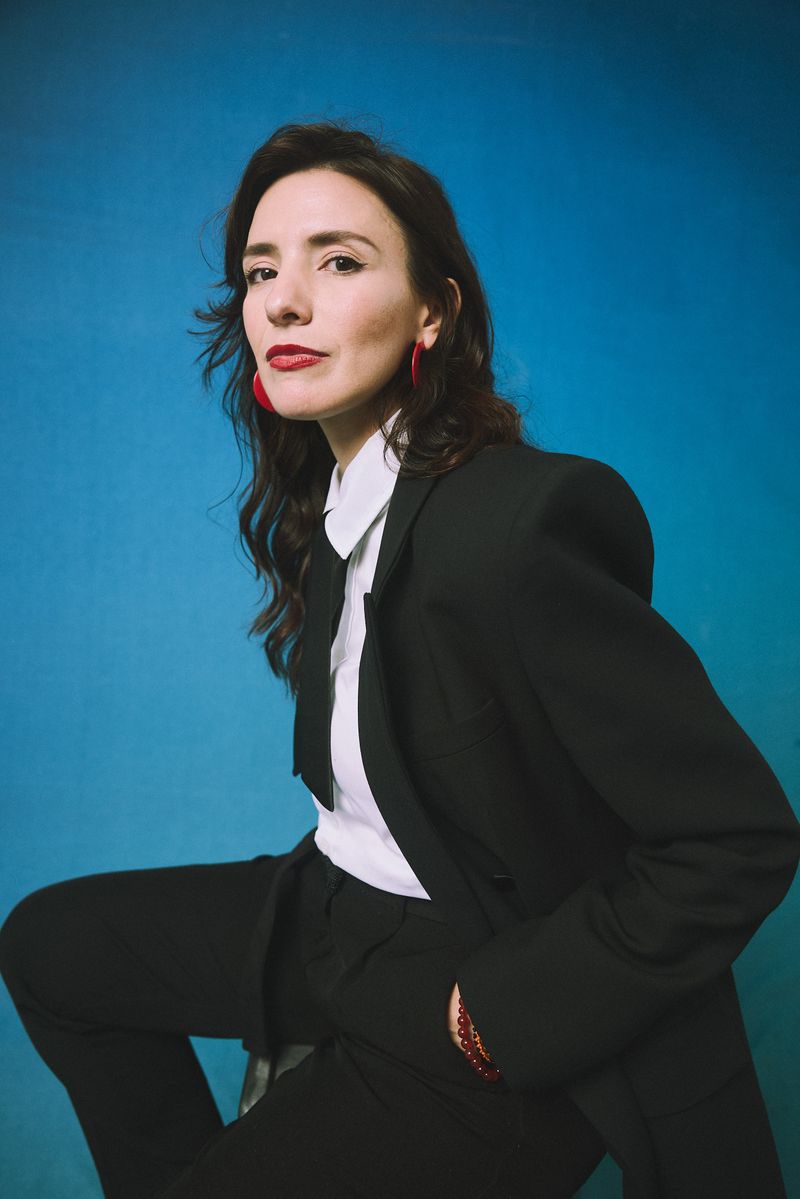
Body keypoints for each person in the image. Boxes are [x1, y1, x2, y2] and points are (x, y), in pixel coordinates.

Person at [1, 120, 798, 1199]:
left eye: (338, 260)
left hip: (472, 982)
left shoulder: (520, 524)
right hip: (332, 913)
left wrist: (505, 1010)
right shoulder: (334, 507)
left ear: (434, 309)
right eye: (259, 270)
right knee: (52, 945)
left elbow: (735, 834)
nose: (284, 299)